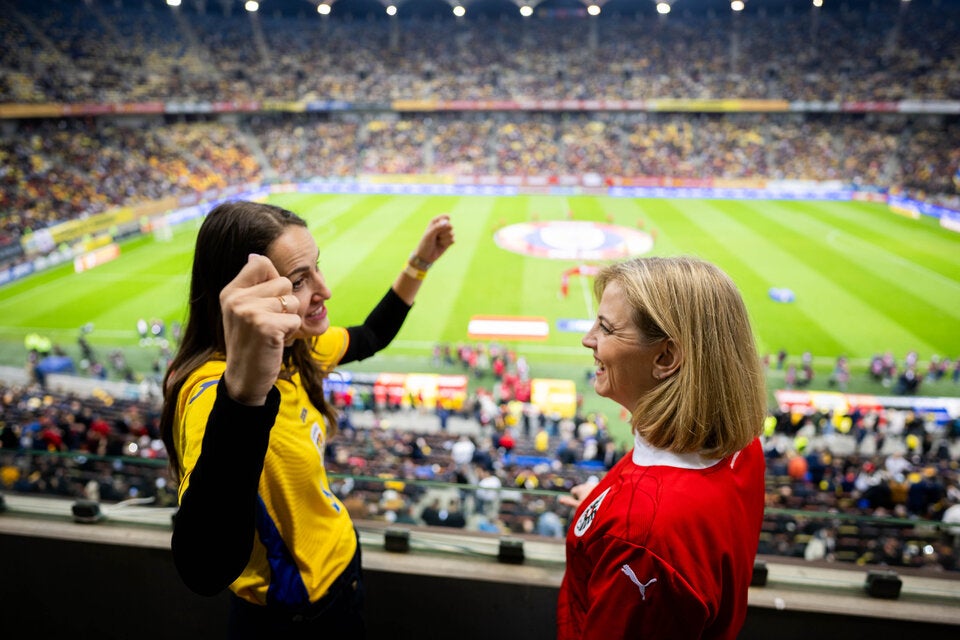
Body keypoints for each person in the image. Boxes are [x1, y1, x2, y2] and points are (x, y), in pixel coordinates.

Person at [159, 200, 454, 639]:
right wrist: (245, 394)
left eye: (317, 267)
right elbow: (204, 570)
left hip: (340, 574)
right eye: (300, 279)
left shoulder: (296, 346)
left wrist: (420, 262)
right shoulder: (211, 396)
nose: (325, 289)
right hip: (299, 615)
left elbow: (371, 336)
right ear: (243, 295)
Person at [556, 256, 767, 640]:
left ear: (666, 357)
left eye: (606, 328)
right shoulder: (741, 446)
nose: (588, 339)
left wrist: (621, 524)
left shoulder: (641, 539)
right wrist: (603, 503)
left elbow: (654, 533)